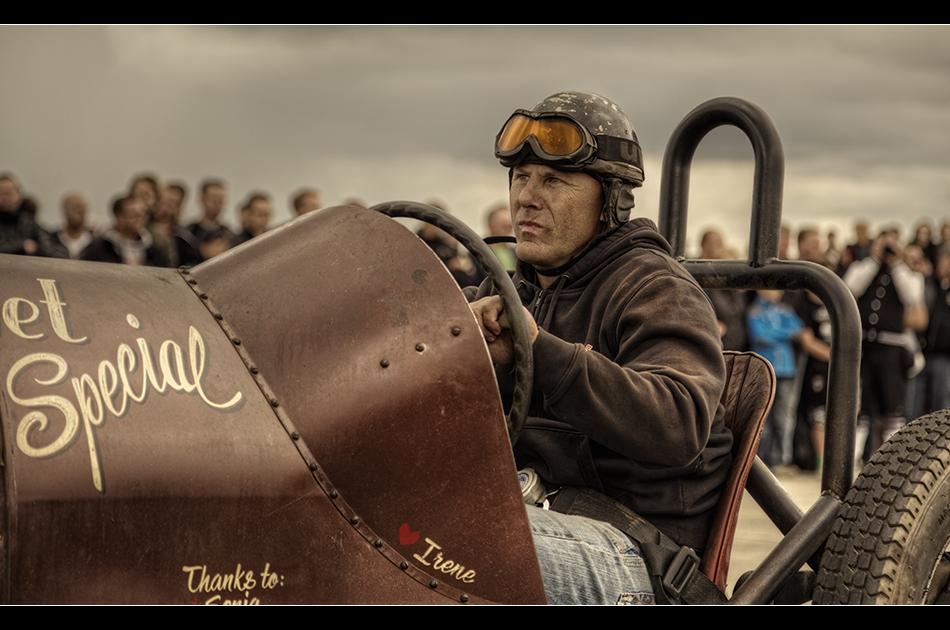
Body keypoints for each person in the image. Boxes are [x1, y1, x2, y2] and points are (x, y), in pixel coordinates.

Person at [465, 91, 732, 605]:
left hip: (637, 553)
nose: (526, 196)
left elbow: (679, 422)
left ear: (612, 200)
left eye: (554, 180)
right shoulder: (508, 293)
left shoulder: (655, 289)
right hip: (533, 516)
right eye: (521, 177)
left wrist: (539, 352)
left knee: (452, 544)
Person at [844, 229, 927, 462]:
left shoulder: (908, 273)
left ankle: (892, 461)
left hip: (893, 348)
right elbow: (851, 287)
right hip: (866, 347)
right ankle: (853, 459)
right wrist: (874, 258)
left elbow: (912, 297)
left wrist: (897, 262)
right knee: (862, 407)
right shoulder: (864, 267)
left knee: (893, 408)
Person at [81, 195, 171, 267]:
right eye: (135, 214)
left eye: (143, 214)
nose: (140, 219)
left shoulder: (152, 249)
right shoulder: (101, 249)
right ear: (119, 218)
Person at [40, 192, 94, 259]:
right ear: (65, 210)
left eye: (83, 209)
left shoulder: (95, 245)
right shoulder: (51, 242)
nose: (81, 212)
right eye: (76, 207)